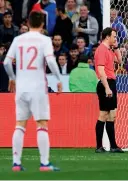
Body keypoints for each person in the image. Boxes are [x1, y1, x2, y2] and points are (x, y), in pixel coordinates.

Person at [3, 11, 62, 172]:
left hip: (21, 88)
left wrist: (12, 78)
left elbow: (7, 62)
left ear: (28, 23)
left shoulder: (18, 39)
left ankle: (16, 163)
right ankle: (44, 164)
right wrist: (58, 79)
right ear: (42, 24)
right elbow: (50, 60)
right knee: (41, 123)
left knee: (20, 124)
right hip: (38, 88)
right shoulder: (44, 40)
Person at [94, 27, 123, 153]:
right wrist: (106, 87)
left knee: (112, 115)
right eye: (114, 36)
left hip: (111, 82)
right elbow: (100, 71)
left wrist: (116, 48)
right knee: (104, 114)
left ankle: (113, 146)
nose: (115, 38)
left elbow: (120, 61)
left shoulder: (109, 50)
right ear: (107, 37)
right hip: (105, 83)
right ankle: (99, 146)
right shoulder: (101, 50)